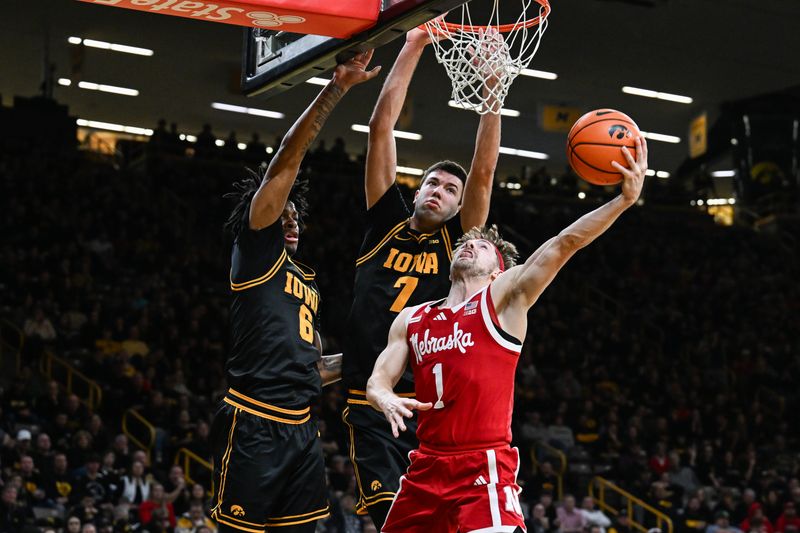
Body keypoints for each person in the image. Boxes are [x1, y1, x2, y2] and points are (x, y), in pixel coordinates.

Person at [366, 137, 648, 531]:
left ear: (498, 271)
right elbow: (380, 377)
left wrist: (622, 201)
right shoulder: (413, 317)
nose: (469, 246)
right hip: (425, 468)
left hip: (482, 464)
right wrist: (382, 395)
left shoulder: (503, 299)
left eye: (481, 247)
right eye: (465, 243)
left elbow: (564, 244)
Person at [210, 50, 380, 533]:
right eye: (283, 212)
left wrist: (387, 353)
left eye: (296, 216)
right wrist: (337, 88)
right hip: (254, 422)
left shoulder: (305, 283)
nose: (291, 219)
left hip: (302, 430)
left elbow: (313, 370)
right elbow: (288, 158)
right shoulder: (258, 252)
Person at [342, 26, 502, 528]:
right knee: (394, 519)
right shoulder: (384, 222)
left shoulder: (458, 246)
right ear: (417, 189)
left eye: (449, 189)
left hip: (436, 411)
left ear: (458, 207)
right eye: (432, 181)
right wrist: (413, 44)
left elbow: (483, 172)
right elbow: (380, 125)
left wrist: (492, 95)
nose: (439, 190)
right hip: (373, 393)